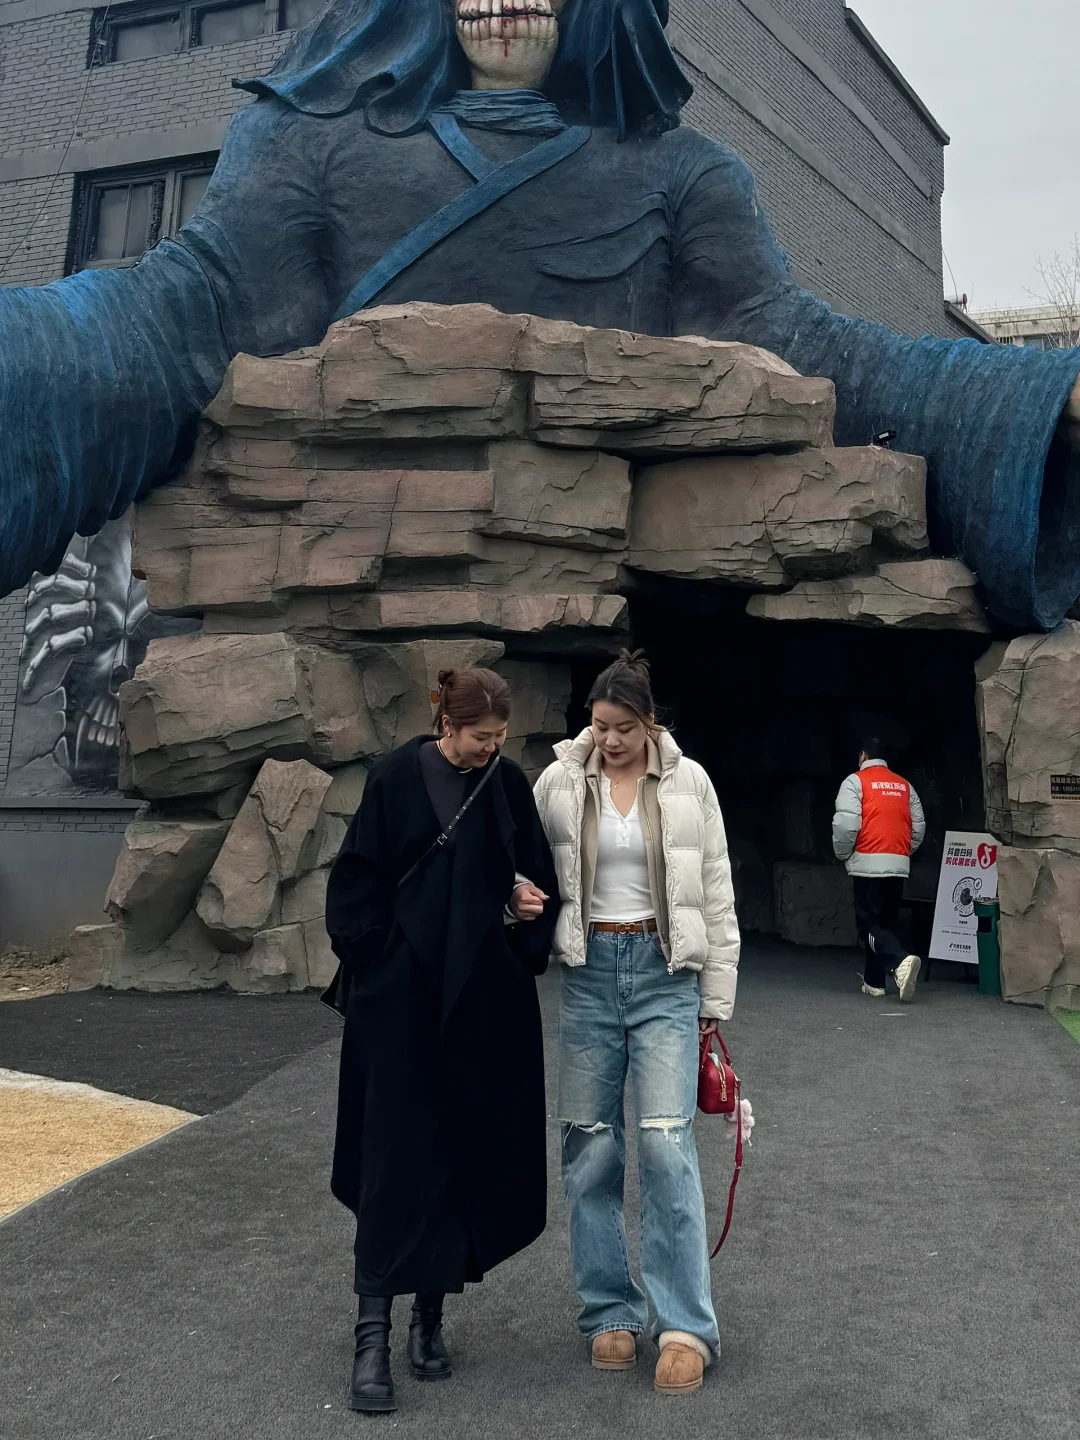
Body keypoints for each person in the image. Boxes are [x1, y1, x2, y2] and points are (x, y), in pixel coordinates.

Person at [2, 0, 1080, 633]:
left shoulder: (680, 172)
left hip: (611, 597)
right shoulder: (310, 144)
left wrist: (1038, 394)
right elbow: (183, 311)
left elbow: (801, 347)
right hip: (341, 570)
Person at [324, 667, 557, 1414]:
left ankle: (429, 1322)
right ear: (446, 725)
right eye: (481, 736)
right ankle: (371, 1340)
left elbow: (535, 878)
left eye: (500, 736)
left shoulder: (506, 784)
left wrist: (522, 905)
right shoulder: (394, 778)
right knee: (392, 1160)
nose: (492, 748)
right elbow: (354, 884)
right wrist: (382, 963)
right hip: (398, 1007)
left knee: (459, 1155)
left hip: (480, 1006)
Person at [532, 650, 740, 1397]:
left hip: (664, 974)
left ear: (651, 723)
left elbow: (716, 887)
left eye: (623, 727)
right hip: (588, 974)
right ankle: (608, 1312)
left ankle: (684, 1326)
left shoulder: (691, 782)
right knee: (589, 1146)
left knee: (665, 1144)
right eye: (599, 725)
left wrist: (715, 998)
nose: (609, 740)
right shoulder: (558, 780)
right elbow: (522, 864)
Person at [832, 739, 927, 1002]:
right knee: (884, 925)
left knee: (868, 926)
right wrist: (902, 852)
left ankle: (900, 961)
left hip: (868, 863)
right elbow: (918, 827)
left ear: (863, 756)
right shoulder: (904, 785)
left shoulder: (855, 782)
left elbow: (846, 825)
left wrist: (844, 854)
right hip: (897, 863)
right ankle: (874, 983)